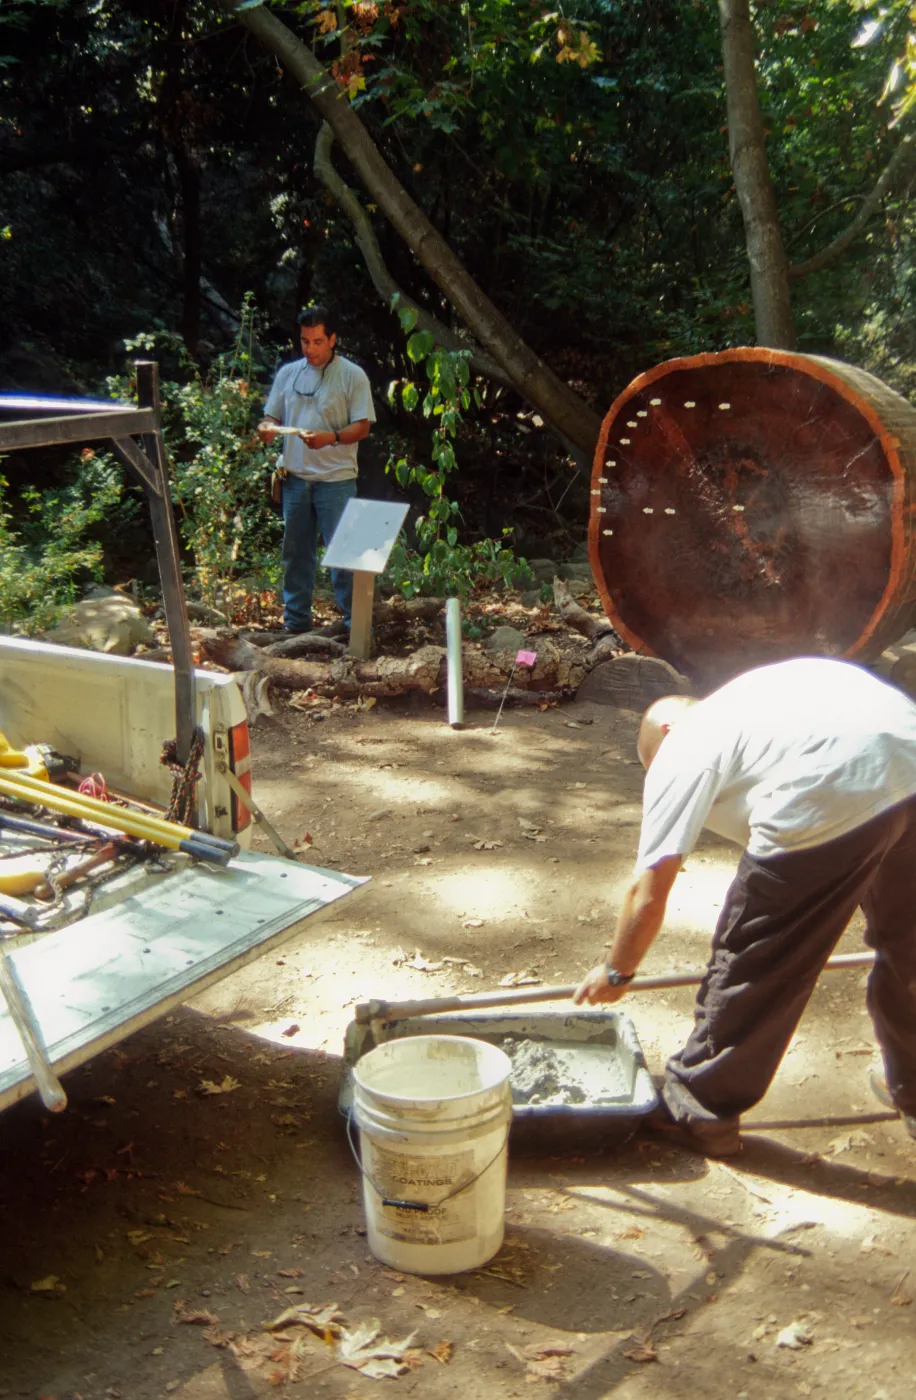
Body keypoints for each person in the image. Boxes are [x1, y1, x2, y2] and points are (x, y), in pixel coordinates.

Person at [573, 657, 916, 1157]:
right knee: (911, 945)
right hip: (909, 751)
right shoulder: (751, 701)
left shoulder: (683, 743)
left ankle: (700, 1107)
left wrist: (616, 971)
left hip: (829, 789)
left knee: (759, 957)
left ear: (664, 732)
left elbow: (647, 893)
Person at [258, 306, 376, 635]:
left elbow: (363, 427)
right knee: (296, 556)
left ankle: (356, 630)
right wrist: (266, 428)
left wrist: (331, 438)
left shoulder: (352, 375)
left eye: (318, 341)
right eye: (305, 341)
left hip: (336, 482)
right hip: (295, 480)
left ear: (333, 339)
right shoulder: (288, 373)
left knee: (344, 559)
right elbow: (271, 416)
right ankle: (295, 626)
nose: (310, 349)